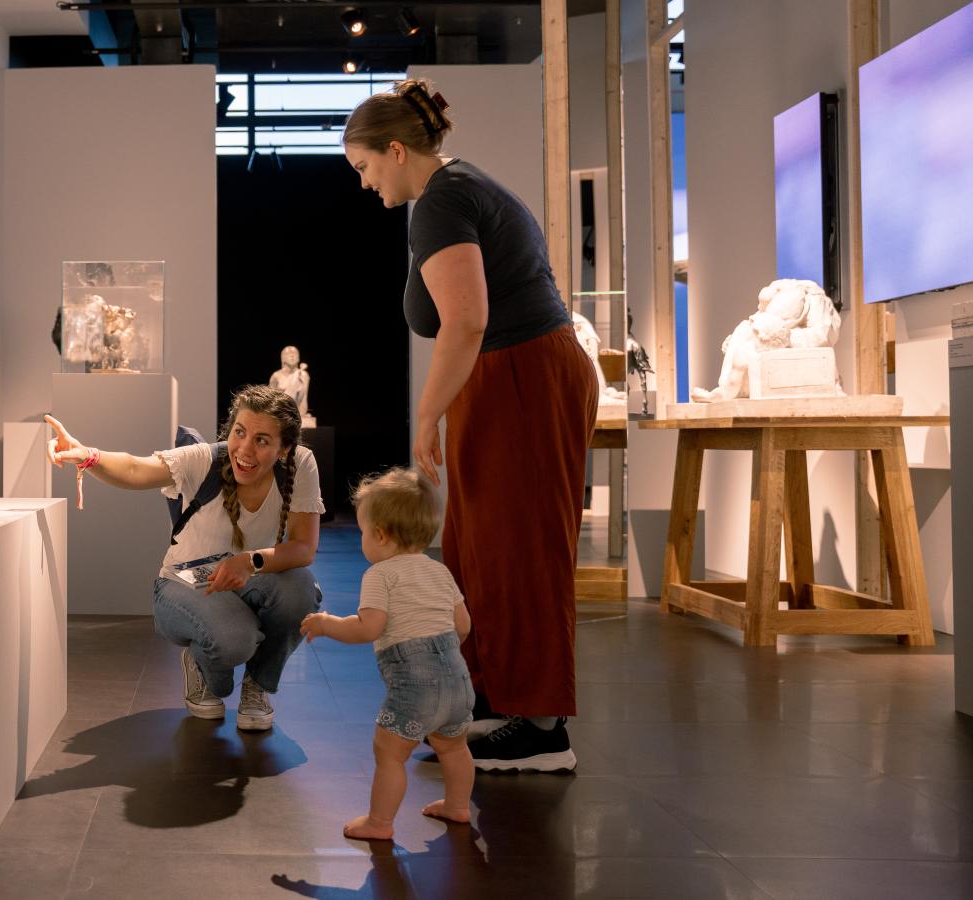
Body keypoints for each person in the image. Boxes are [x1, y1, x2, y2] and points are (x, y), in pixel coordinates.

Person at [343, 78, 597, 772]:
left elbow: (467, 318)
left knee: (521, 548)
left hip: (522, 371)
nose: (365, 184)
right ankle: (494, 701)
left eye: (365, 168)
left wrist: (426, 414)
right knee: (481, 546)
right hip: (508, 373)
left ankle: (542, 727)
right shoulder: (454, 192)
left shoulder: (446, 198)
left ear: (397, 150)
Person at [45, 385, 325, 731]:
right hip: (180, 586)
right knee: (235, 640)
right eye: (240, 432)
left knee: (301, 590)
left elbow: (303, 548)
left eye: (262, 440)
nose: (245, 450)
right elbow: (136, 469)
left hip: (244, 581)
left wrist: (249, 561)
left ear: (284, 449)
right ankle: (201, 663)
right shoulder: (205, 459)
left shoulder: (300, 465)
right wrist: (87, 454)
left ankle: (258, 687)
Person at [300, 468, 475, 841]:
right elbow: (463, 626)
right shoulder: (439, 571)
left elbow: (368, 628)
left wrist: (327, 623)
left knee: (390, 753)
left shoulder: (380, 576)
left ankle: (380, 823)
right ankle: (458, 806)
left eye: (363, 531)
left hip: (415, 688)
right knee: (455, 748)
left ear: (379, 535)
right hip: (458, 681)